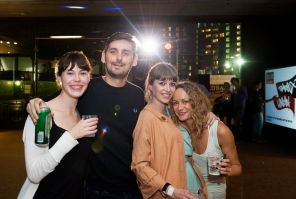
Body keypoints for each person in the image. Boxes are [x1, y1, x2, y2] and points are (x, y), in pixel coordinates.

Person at [26, 32, 145, 199]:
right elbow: (59, 97)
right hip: (92, 190)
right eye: (113, 51)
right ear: (104, 56)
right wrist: (34, 101)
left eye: (126, 53)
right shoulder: (86, 88)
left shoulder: (138, 95)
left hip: (132, 190)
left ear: (135, 59)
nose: (119, 58)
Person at [18, 51, 99, 199]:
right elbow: (34, 174)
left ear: (89, 77)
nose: (77, 79)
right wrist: (71, 136)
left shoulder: (83, 113)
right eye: (70, 73)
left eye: (82, 73)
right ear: (59, 77)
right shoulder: (41, 114)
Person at [131, 62, 197, 199]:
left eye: (172, 84)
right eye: (162, 83)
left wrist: (209, 115)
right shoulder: (147, 117)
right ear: (150, 85)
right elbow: (139, 165)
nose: (168, 89)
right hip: (167, 193)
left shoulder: (168, 114)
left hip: (182, 188)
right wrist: (170, 189)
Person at [170, 81, 242, 199]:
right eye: (175, 103)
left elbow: (237, 167)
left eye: (185, 101)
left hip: (214, 193)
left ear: (196, 102)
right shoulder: (177, 129)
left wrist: (227, 170)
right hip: (187, 191)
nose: (180, 107)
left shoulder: (220, 131)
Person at [230, 77, 248, 142]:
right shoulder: (234, 89)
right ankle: (239, 138)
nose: (232, 83)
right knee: (236, 123)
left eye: (233, 81)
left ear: (237, 81)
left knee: (237, 123)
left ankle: (240, 138)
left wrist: (238, 93)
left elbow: (246, 97)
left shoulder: (242, 88)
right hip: (236, 108)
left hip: (241, 108)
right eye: (231, 82)